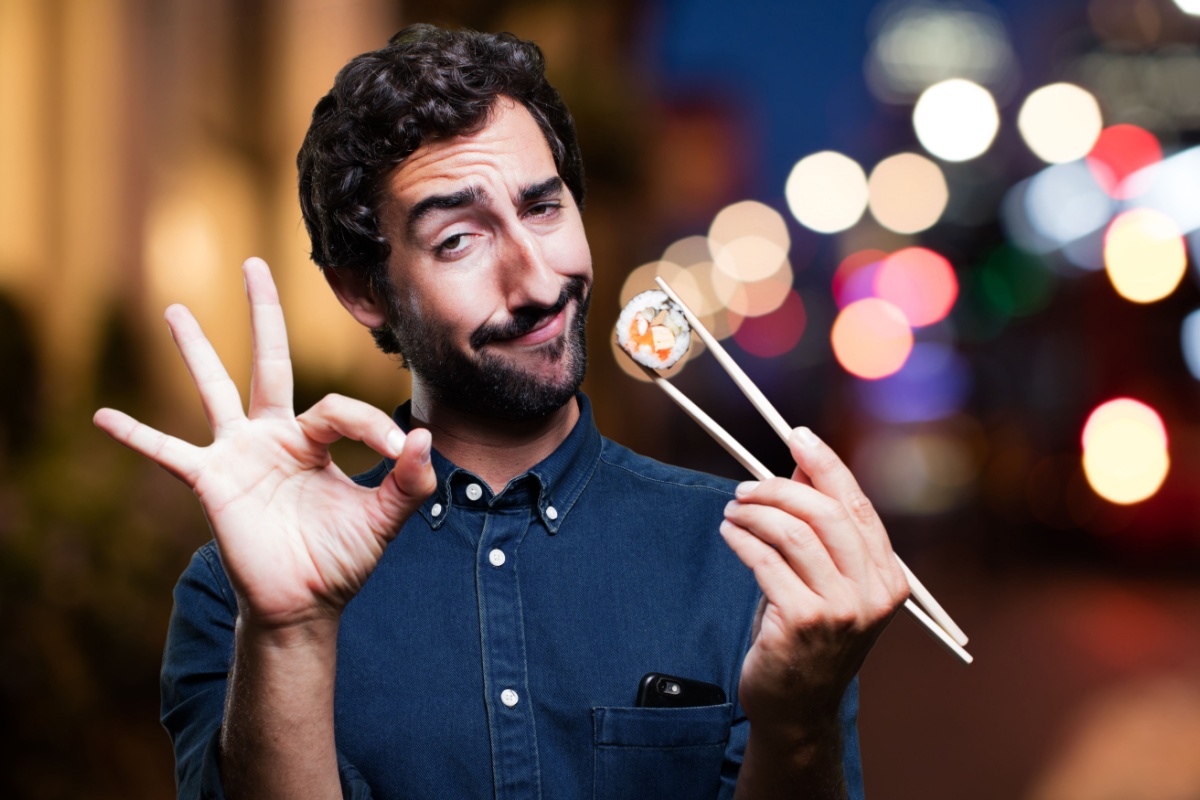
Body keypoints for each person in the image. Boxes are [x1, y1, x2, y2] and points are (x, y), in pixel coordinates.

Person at [94, 24, 908, 800]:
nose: (538, 283)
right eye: (459, 239)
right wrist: (290, 631)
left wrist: (798, 720)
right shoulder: (236, 598)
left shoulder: (749, 562)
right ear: (365, 292)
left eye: (544, 208)